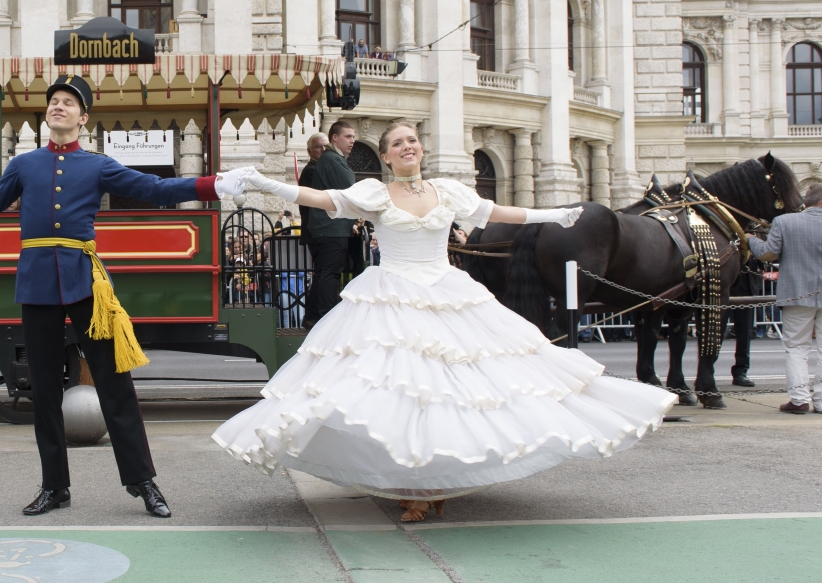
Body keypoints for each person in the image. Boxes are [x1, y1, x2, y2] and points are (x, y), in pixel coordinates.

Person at [212, 121, 677, 522]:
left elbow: (497, 213)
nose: (407, 147)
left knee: (459, 392)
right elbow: (317, 196)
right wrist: (262, 183)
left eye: (412, 141)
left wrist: (556, 215)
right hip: (390, 297)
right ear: (388, 157)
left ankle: (435, 479)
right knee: (405, 394)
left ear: (420, 149)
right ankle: (414, 487)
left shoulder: (448, 191)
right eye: (397, 144)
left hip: (448, 296)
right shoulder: (372, 193)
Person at [0, 75, 248, 518]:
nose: (58, 106)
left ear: (83, 117)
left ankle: (143, 481)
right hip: (36, 286)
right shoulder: (24, 166)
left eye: (68, 102)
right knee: (44, 392)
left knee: (115, 383)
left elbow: (153, 188)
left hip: (86, 285)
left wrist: (211, 186)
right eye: (53, 101)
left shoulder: (97, 165)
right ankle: (55, 488)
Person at [747, 183, 822, 414]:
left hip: (797, 293)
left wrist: (750, 238)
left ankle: (799, 399)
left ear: (807, 201)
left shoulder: (786, 221)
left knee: (797, 348)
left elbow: (768, 253)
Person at [302, 121, 356, 329]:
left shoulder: (330, 159)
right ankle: (327, 318)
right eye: (348, 136)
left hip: (328, 226)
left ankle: (315, 316)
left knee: (324, 271)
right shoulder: (333, 160)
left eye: (353, 137)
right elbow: (351, 189)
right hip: (331, 227)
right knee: (330, 272)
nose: (353, 141)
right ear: (335, 138)